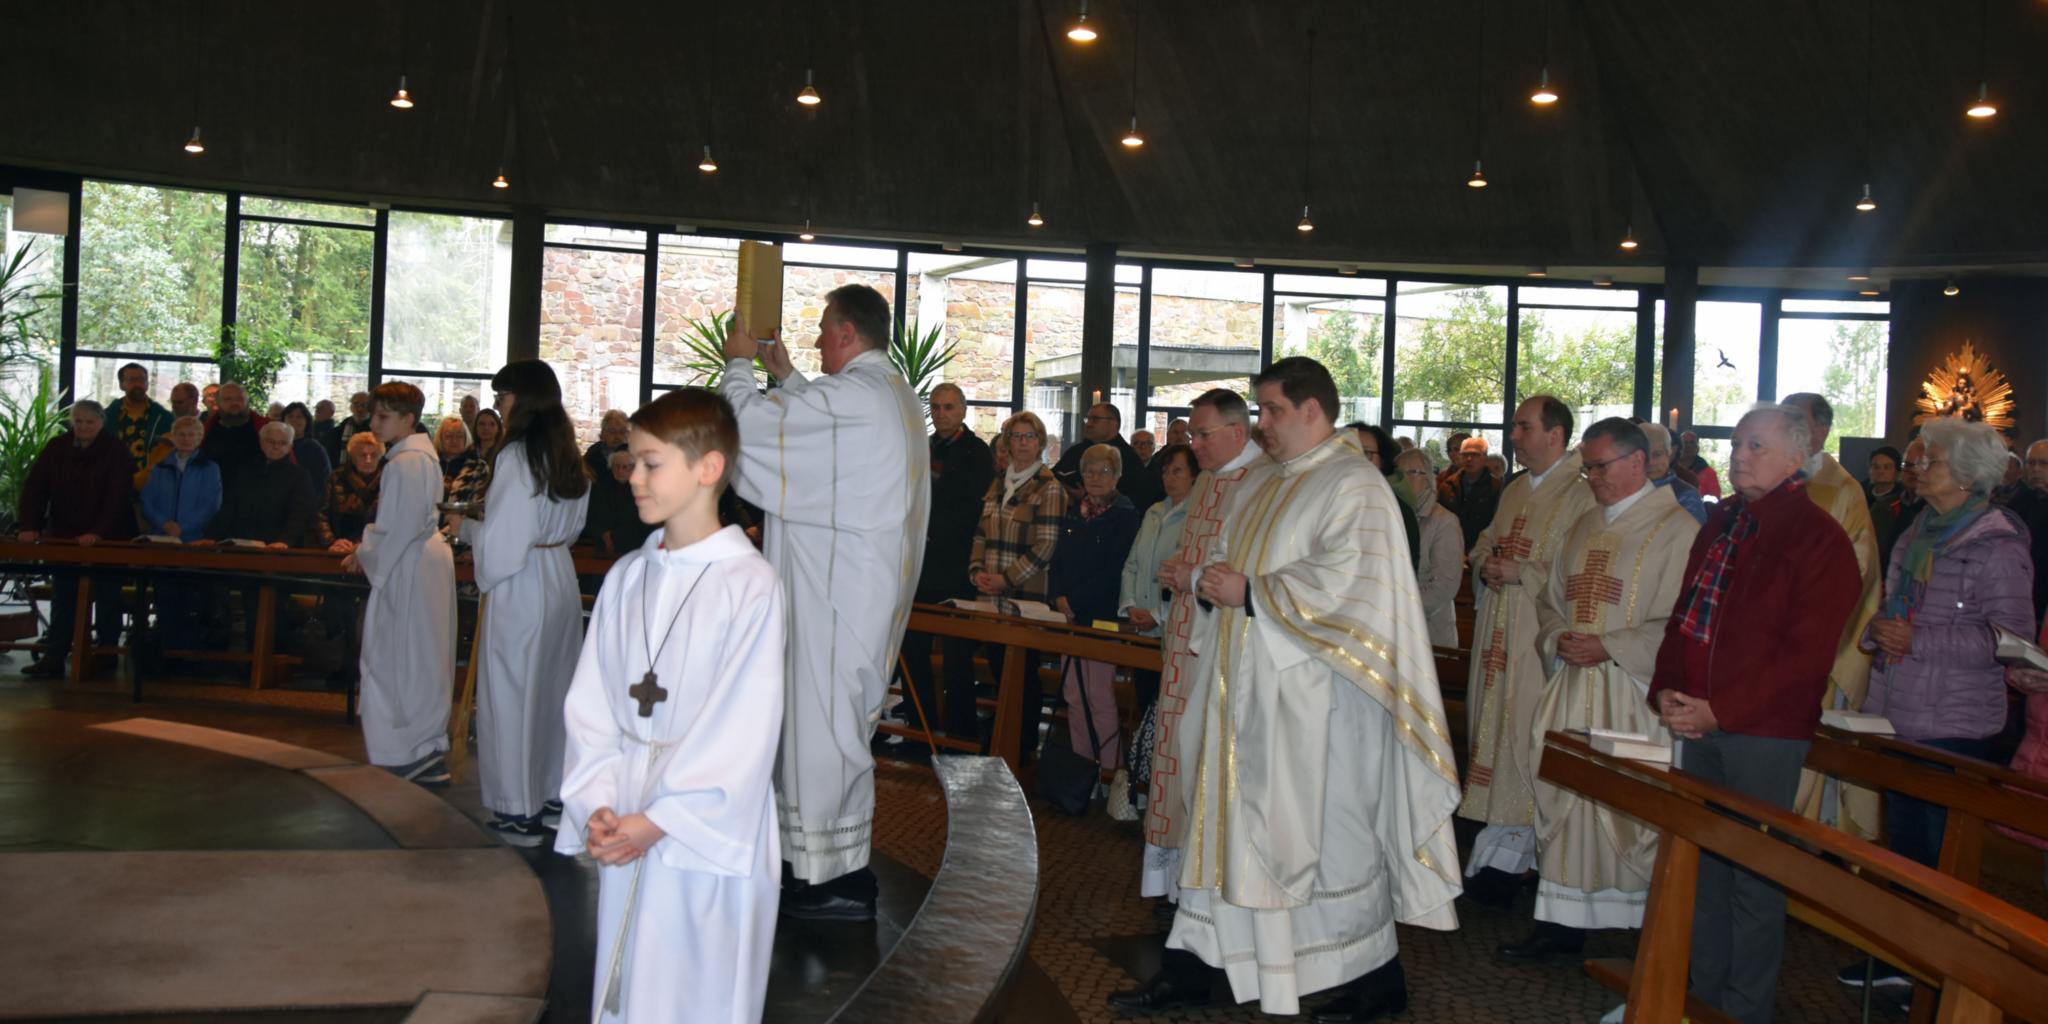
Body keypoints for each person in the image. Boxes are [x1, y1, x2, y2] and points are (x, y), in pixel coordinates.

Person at [1149, 357, 1459, 1021]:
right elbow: (1237, 564)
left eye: (1270, 412)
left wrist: (1255, 592)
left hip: (1323, 706)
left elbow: (1354, 588)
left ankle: (1375, 981)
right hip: (1250, 695)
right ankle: (1196, 964)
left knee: (1330, 841)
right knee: (1235, 834)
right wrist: (1210, 578)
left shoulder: (1356, 486)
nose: (1260, 425)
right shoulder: (1270, 484)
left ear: (1312, 410)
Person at [556, 388, 784, 1024]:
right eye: (631, 461)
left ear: (708, 468)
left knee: (694, 988)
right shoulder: (628, 575)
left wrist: (661, 820)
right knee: (631, 982)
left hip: (708, 822)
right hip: (628, 796)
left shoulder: (750, 585)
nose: (633, 477)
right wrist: (599, 803)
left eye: (652, 463)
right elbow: (592, 704)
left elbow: (744, 727)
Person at [718, 283, 927, 922]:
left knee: (824, 732)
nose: (811, 341)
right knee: (835, 730)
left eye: (819, 331)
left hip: (834, 596)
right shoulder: (890, 394)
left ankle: (828, 877)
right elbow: (821, 437)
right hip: (859, 591)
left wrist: (739, 364)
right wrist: (789, 375)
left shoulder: (857, 400)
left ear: (844, 333)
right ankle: (828, 865)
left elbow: (749, 433)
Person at [1647, 404, 1860, 1023]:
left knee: (1755, 879)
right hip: (1698, 718)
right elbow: (1686, 616)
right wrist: (1666, 687)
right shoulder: (1724, 521)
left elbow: (1806, 658)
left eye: (1756, 447)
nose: (1739, 456)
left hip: (1763, 732)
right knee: (1704, 871)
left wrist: (1723, 710)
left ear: (1798, 457)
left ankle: (1746, 1012)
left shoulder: (1820, 538)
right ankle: (1702, 1000)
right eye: (1737, 445)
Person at [1839, 417, 2033, 992]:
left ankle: (1935, 970)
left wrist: (1917, 638)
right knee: (1904, 848)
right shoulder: (1921, 527)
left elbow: (2010, 638)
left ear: (1969, 475)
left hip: (1954, 721)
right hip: (1898, 709)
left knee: (1938, 855)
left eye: (1932, 460)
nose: (1917, 467)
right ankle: (1901, 957)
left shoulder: (1997, 545)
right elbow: (1896, 604)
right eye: (1918, 459)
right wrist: (1879, 631)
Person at [1501, 418, 1700, 966]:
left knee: (1624, 810)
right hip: (1574, 686)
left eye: (1599, 466)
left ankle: (1644, 928)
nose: (1591, 477)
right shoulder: (1584, 524)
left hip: (1630, 694)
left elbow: (1680, 622)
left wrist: (1611, 646)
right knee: (1567, 802)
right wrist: (1558, 636)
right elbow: (1551, 600)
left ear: (1637, 463)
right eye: (1587, 466)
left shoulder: (1677, 530)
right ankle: (1560, 925)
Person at [1108, 390, 1265, 1015]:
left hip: (1222, 663)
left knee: (1210, 786)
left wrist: (1192, 580)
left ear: (1235, 429)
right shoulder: (1211, 483)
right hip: (1186, 649)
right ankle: (1183, 905)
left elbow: (1242, 578)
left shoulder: (1257, 485)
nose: (1191, 446)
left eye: (1200, 435)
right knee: (1181, 774)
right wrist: (1183, 575)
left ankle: (1201, 942)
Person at [1457, 395, 1596, 907]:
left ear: (1555, 435)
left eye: (1523, 427)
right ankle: (1500, 855)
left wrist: (1524, 572)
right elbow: (1485, 543)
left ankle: (1524, 858)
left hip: (1536, 643)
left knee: (1526, 738)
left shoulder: (1580, 496)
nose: (1513, 436)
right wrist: (1489, 562)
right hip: (1497, 629)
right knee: (1492, 733)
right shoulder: (1515, 489)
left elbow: (1577, 572)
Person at [460, 360, 592, 845]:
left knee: (514, 692)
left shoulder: (516, 456)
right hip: (557, 573)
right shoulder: (564, 452)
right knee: (553, 691)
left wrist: (468, 529)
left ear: (524, 400)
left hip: (521, 581)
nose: (498, 405)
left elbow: (506, 541)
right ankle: (553, 793)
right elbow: (566, 522)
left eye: (504, 396)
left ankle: (519, 810)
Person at [337, 382, 457, 788]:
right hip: (418, 560)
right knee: (419, 656)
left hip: (408, 565)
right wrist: (370, 547)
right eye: (373, 414)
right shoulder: (417, 456)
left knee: (400, 656)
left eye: (384, 416)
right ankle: (422, 748)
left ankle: (410, 750)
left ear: (409, 419)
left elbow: (398, 527)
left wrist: (364, 552)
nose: (374, 423)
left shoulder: (407, 463)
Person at [1778, 392, 1883, 839]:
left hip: (1810, 644)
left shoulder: (1842, 491)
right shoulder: (1774, 480)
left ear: (1821, 430)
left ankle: (1808, 843)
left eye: (1794, 420)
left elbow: (1856, 572)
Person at [943, 411, 1065, 755]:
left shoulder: (1049, 486)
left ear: (1040, 443)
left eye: (1029, 437)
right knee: (997, 668)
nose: (1022, 443)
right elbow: (981, 532)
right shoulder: (998, 483)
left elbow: (1046, 546)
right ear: (1007, 443)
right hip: (987, 596)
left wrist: (1005, 579)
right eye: (1016, 436)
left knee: (1022, 674)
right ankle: (983, 740)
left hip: (1022, 599)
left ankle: (1022, 748)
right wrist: (976, 571)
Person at [898, 382, 994, 730]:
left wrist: (932, 531)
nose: (942, 414)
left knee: (957, 656)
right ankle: (918, 725)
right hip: (921, 567)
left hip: (956, 565)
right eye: (936, 407)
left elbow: (973, 509)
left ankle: (960, 730)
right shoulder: (922, 448)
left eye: (949, 407)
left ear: (963, 410)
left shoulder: (977, 452)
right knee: (912, 648)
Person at [14, 401, 134, 678]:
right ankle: (54, 656)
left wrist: (98, 531)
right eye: (78, 421)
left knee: (107, 598)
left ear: (101, 423)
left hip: (107, 537)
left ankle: (105, 656)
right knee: (64, 598)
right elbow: (36, 487)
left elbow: (117, 497)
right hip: (64, 535)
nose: (83, 427)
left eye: (89, 422)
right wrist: (30, 525)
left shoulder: (116, 451)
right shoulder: (57, 448)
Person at [1049, 443, 1140, 771]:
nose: (1096, 477)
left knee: (1100, 696)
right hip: (1069, 613)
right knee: (1073, 693)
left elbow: (1115, 570)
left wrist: (1074, 600)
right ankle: (1082, 765)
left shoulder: (1125, 516)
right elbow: (1058, 559)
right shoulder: (1075, 511)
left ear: (1116, 476)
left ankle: (1110, 770)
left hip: (1101, 616)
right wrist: (1058, 596)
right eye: (1089, 471)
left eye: (1104, 471)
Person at [1119, 443, 1195, 732]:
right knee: (1142, 707)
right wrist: (1130, 606)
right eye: (1165, 471)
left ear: (1195, 477)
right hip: (1141, 626)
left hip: (1171, 630)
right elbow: (1132, 565)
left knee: (1166, 715)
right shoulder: (1153, 511)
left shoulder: (1196, 517)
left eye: (1178, 471)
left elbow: (1187, 578)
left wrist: (1157, 614)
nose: (1170, 478)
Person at [138, 416, 221, 652]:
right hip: (162, 540)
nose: (185, 439)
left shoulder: (209, 468)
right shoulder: (160, 467)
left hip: (193, 540)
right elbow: (147, 501)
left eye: (191, 434)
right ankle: (165, 649)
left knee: (189, 598)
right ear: (172, 438)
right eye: (181, 435)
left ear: (200, 438)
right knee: (164, 597)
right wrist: (164, 524)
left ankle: (187, 651)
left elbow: (211, 504)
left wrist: (183, 526)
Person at [200, 421, 316, 548]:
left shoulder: (300, 476)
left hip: (278, 548)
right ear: (261, 442)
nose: (276, 446)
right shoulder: (245, 471)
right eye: (271, 441)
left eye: (283, 443)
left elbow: (299, 514)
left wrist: (285, 541)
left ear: (290, 447)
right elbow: (228, 508)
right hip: (239, 544)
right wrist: (211, 537)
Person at [1397, 448, 1464, 648]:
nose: (1403, 480)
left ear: (1428, 479)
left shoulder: (1444, 522)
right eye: (1399, 475)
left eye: (1411, 473)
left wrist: (1400, 609)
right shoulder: (1393, 515)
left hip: (1427, 632)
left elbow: (1443, 585)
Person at [1053, 402, 1160, 511]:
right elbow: (1055, 475)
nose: (1089, 424)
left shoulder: (1127, 457)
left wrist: (1087, 496)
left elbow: (1136, 497)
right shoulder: (1076, 451)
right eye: (1087, 419)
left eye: (1095, 419)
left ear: (1113, 423)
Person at [1350, 422, 1421, 568]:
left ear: (1382, 461)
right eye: (1348, 451)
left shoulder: (1398, 511)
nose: (1356, 459)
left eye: (1366, 453)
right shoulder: (1322, 502)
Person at [2000, 438, 2048, 620]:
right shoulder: (2019, 502)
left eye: (2043, 463)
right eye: (2031, 463)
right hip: (2021, 592)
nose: (2036, 469)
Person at [580, 447, 655, 556]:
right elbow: (590, 516)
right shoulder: (600, 487)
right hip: (601, 546)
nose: (620, 471)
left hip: (634, 547)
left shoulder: (645, 490)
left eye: (625, 467)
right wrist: (603, 534)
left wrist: (614, 537)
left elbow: (645, 522)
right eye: (616, 466)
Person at [314, 432, 384, 549]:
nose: (368, 460)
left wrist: (365, 544)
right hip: (340, 546)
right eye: (362, 455)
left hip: (376, 547)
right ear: (353, 457)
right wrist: (332, 541)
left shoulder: (389, 478)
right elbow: (321, 515)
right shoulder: (336, 477)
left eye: (373, 455)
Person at [1872, 435, 1927, 578]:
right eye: (1908, 465)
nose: (1913, 471)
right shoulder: (1885, 506)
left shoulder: (1935, 510)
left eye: (1919, 465)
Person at [107, 361, 174, 476]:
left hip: (151, 482)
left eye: (142, 380)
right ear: (121, 385)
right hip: (112, 480)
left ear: (147, 384)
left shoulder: (163, 417)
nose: (138, 384)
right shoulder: (106, 417)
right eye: (132, 380)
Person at [443, 408, 503, 534]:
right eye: (482, 424)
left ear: (498, 428)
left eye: (491, 424)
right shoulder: (466, 453)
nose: (486, 428)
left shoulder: (503, 454)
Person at [200, 382, 269, 490]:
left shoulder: (266, 429)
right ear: (217, 403)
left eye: (239, 398)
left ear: (247, 401)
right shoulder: (204, 432)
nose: (234, 403)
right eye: (228, 399)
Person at [1439, 434, 1501, 550]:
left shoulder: (1497, 487)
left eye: (1475, 455)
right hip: (1450, 546)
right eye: (1465, 454)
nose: (1469, 459)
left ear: (1485, 458)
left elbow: (1499, 525)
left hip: (1482, 550)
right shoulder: (1447, 486)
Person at [1642, 423, 1707, 524]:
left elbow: (1697, 536)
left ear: (1669, 453)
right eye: (1644, 456)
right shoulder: (1625, 489)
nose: (1650, 462)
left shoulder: (1685, 495)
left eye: (1657, 455)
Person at [280, 402, 333, 498]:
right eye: (290, 416)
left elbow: (323, 481)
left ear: (307, 422)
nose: (294, 420)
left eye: (299, 417)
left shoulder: (314, 448)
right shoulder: (276, 446)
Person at [583, 409, 630, 480]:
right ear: (603, 433)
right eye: (612, 431)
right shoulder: (593, 455)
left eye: (622, 432)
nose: (618, 436)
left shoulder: (634, 455)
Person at [435, 415, 479, 488]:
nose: (454, 440)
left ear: (466, 438)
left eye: (459, 436)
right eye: (449, 436)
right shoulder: (432, 463)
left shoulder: (476, 467)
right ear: (440, 438)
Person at [1678, 430, 1721, 500]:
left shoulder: (1709, 473)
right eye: (1685, 443)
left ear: (1697, 446)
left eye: (1692, 443)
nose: (1688, 446)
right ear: (1679, 446)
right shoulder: (1669, 469)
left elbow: (1715, 501)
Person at [311, 399, 344, 463]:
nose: (317, 411)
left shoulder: (337, 433)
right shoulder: (309, 429)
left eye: (321, 409)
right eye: (316, 408)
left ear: (331, 413)